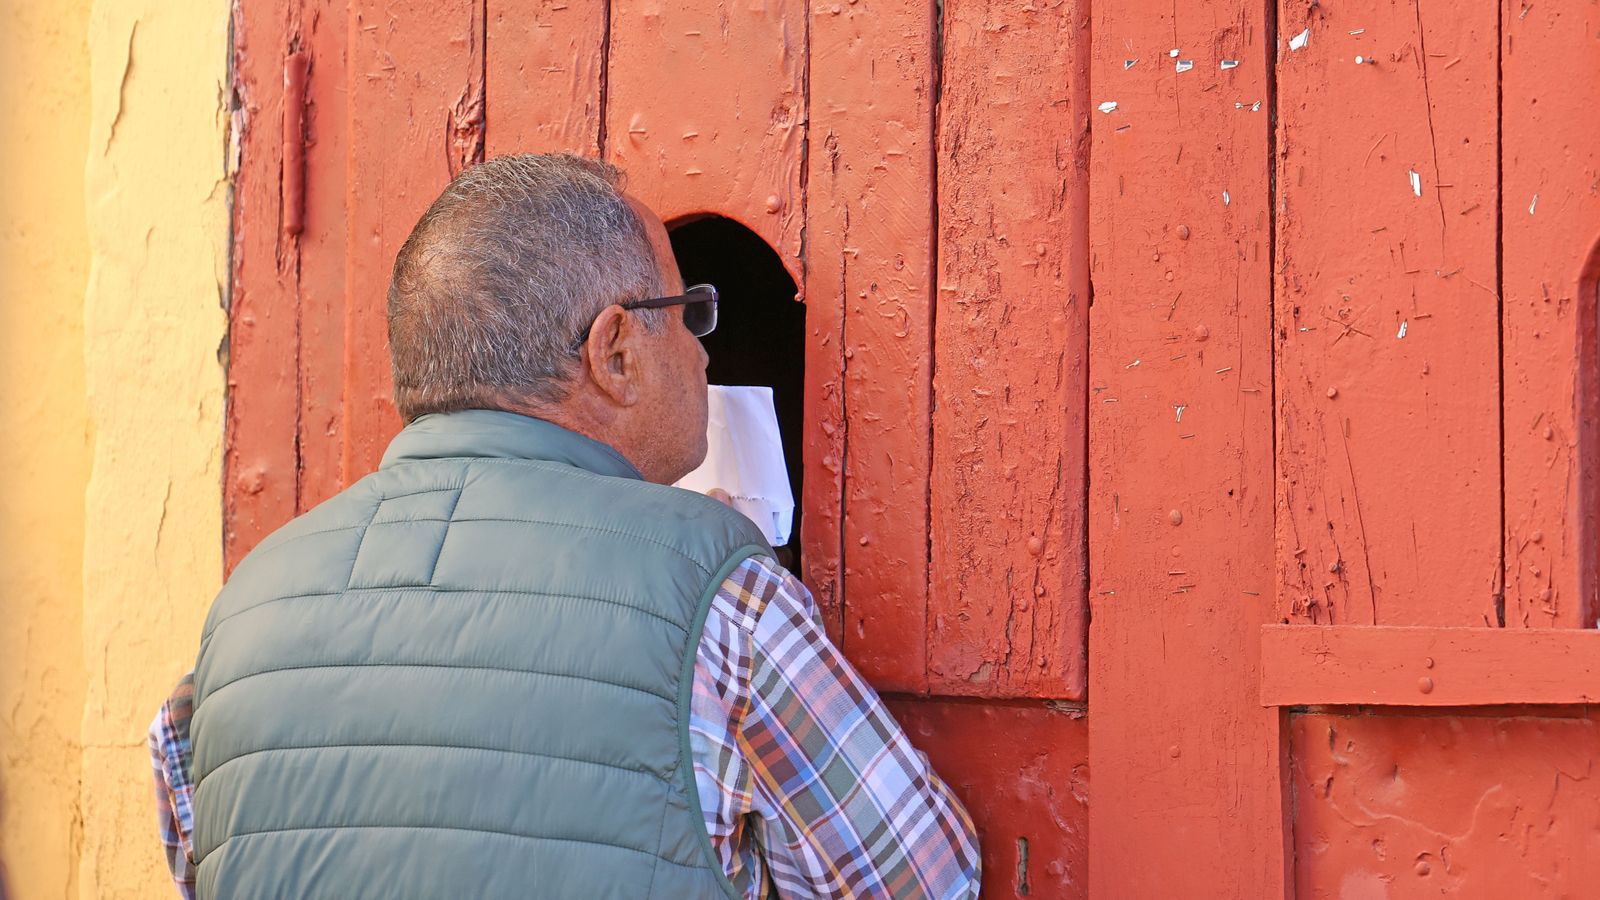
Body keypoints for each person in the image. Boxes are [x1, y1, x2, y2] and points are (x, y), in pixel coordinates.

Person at [148, 154, 981, 899]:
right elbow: (927, 881)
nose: (702, 353)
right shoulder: (724, 599)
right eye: (687, 314)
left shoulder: (242, 614)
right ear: (614, 350)